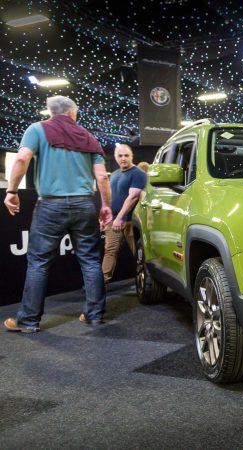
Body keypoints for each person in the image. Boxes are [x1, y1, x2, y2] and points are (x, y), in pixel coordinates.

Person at [3, 96, 112, 333]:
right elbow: (102, 176)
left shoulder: (37, 129)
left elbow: (22, 158)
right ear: (73, 114)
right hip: (84, 204)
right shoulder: (88, 136)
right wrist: (105, 206)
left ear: (50, 112)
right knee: (91, 261)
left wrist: (12, 191)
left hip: (50, 206)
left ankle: (28, 321)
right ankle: (94, 315)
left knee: (39, 263)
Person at [102, 144, 147, 285]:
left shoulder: (138, 173)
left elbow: (132, 197)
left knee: (140, 254)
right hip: (113, 221)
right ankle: (100, 284)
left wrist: (119, 218)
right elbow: (109, 197)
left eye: (126, 155)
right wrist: (105, 218)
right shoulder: (114, 175)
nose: (123, 158)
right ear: (115, 157)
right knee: (110, 251)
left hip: (131, 222)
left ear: (131, 156)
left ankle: (147, 284)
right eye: (120, 156)